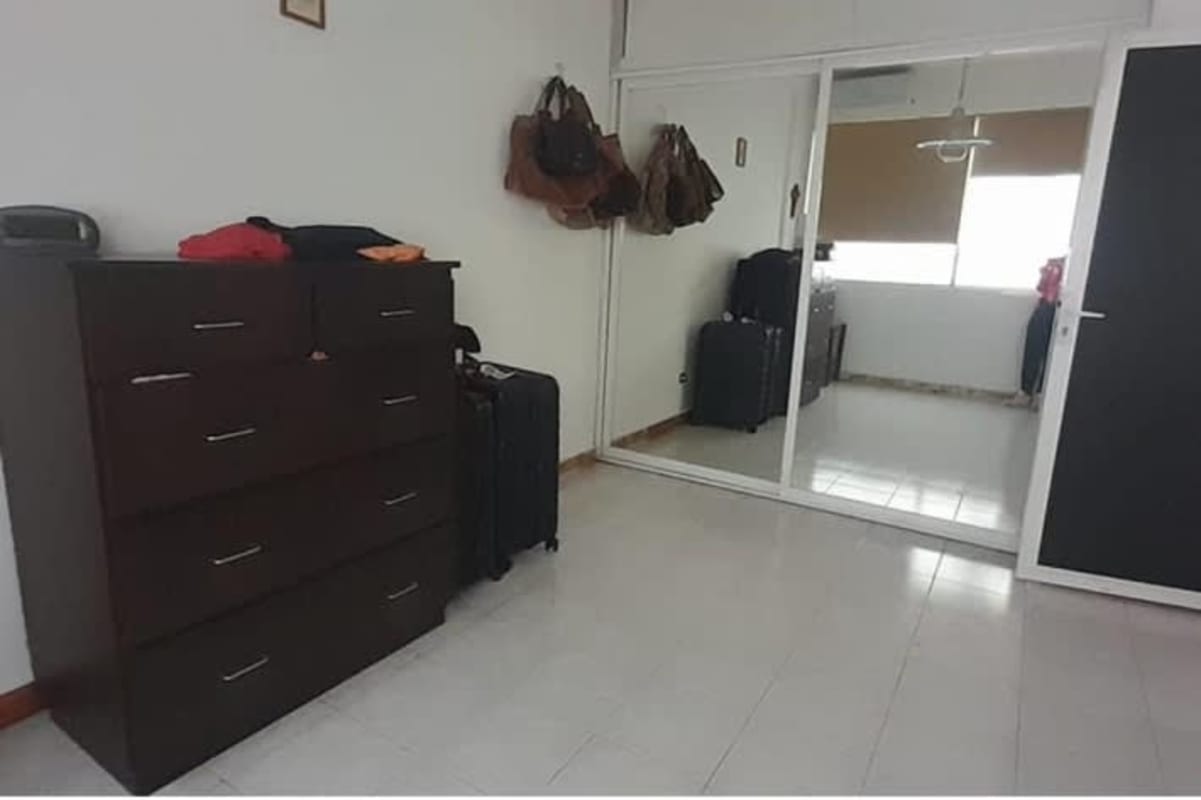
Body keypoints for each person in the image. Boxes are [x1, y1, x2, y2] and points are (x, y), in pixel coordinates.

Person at [1009, 256, 1064, 408]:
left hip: (1060, 309)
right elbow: (1040, 288)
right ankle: (1026, 392)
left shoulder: (1074, 266)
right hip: (1045, 306)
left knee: (1052, 354)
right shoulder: (1054, 264)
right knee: (1033, 348)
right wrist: (1046, 273)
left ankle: (1041, 395)